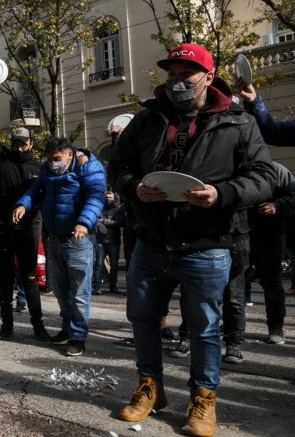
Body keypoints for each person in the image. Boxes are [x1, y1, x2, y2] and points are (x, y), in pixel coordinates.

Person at [108, 43, 275, 436]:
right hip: (150, 242)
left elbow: (264, 176)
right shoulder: (147, 118)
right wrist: (133, 187)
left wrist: (223, 195)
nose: (177, 82)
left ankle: (203, 398)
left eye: (187, 74)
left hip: (208, 244)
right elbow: (118, 165)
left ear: (208, 76)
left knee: (203, 328)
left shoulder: (238, 121)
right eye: (172, 74)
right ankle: (150, 388)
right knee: (144, 320)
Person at [13, 137, 105, 357]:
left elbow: (95, 196)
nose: (53, 163)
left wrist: (83, 222)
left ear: (70, 154)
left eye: (57, 158)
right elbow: (36, 191)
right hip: (54, 238)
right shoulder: (47, 170)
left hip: (79, 239)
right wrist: (23, 204)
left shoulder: (88, 166)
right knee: (61, 290)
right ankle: (66, 327)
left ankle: (78, 337)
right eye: (49, 159)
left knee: (80, 291)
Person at [0, 82, 50, 342]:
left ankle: (38, 326)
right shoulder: (2, 158)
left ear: (31, 144)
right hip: (1, 227)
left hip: (30, 227)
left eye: (23, 143)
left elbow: (46, 196)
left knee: (30, 278)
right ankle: (6, 326)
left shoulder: (40, 167)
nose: (19, 147)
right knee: (5, 277)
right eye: (16, 143)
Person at [247, 161, 294, 345]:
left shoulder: (277, 169)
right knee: (236, 280)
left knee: (271, 281)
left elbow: (293, 197)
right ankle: (234, 325)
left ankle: (276, 327)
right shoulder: (236, 165)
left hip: (271, 234)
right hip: (240, 232)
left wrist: (277, 205)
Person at [93, 190, 122, 295]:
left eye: (110, 197)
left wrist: (103, 222)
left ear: (113, 198)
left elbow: (119, 223)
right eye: (106, 198)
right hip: (100, 241)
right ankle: (96, 287)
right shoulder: (99, 209)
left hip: (114, 241)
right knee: (98, 265)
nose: (108, 199)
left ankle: (113, 287)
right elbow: (95, 221)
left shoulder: (118, 209)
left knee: (114, 266)